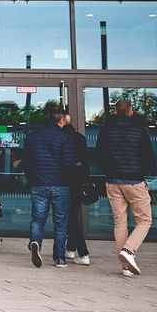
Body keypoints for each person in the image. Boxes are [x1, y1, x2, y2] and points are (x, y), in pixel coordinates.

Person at [96, 99, 154, 276]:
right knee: (144, 220)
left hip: (113, 181)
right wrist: (142, 172)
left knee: (120, 222)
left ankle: (126, 267)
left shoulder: (106, 131)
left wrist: (108, 170)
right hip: (134, 180)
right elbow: (149, 156)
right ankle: (129, 250)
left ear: (114, 111)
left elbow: (99, 155)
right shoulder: (139, 130)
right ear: (130, 111)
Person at [22, 104, 75, 268]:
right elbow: (69, 164)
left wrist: (31, 179)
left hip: (38, 184)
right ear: (62, 120)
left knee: (38, 219)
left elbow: (26, 161)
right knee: (60, 223)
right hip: (60, 184)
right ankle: (60, 258)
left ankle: (35, 242)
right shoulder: (65, 138)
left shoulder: (33, 136)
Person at [62, 113, 91, 265]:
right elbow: (85, 162)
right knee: (73, 215)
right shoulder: (80, 138)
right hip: (79, 182)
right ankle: (70, 248)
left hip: (64, 182)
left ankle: (83, 252)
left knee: (70, 218)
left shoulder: (61, 138)